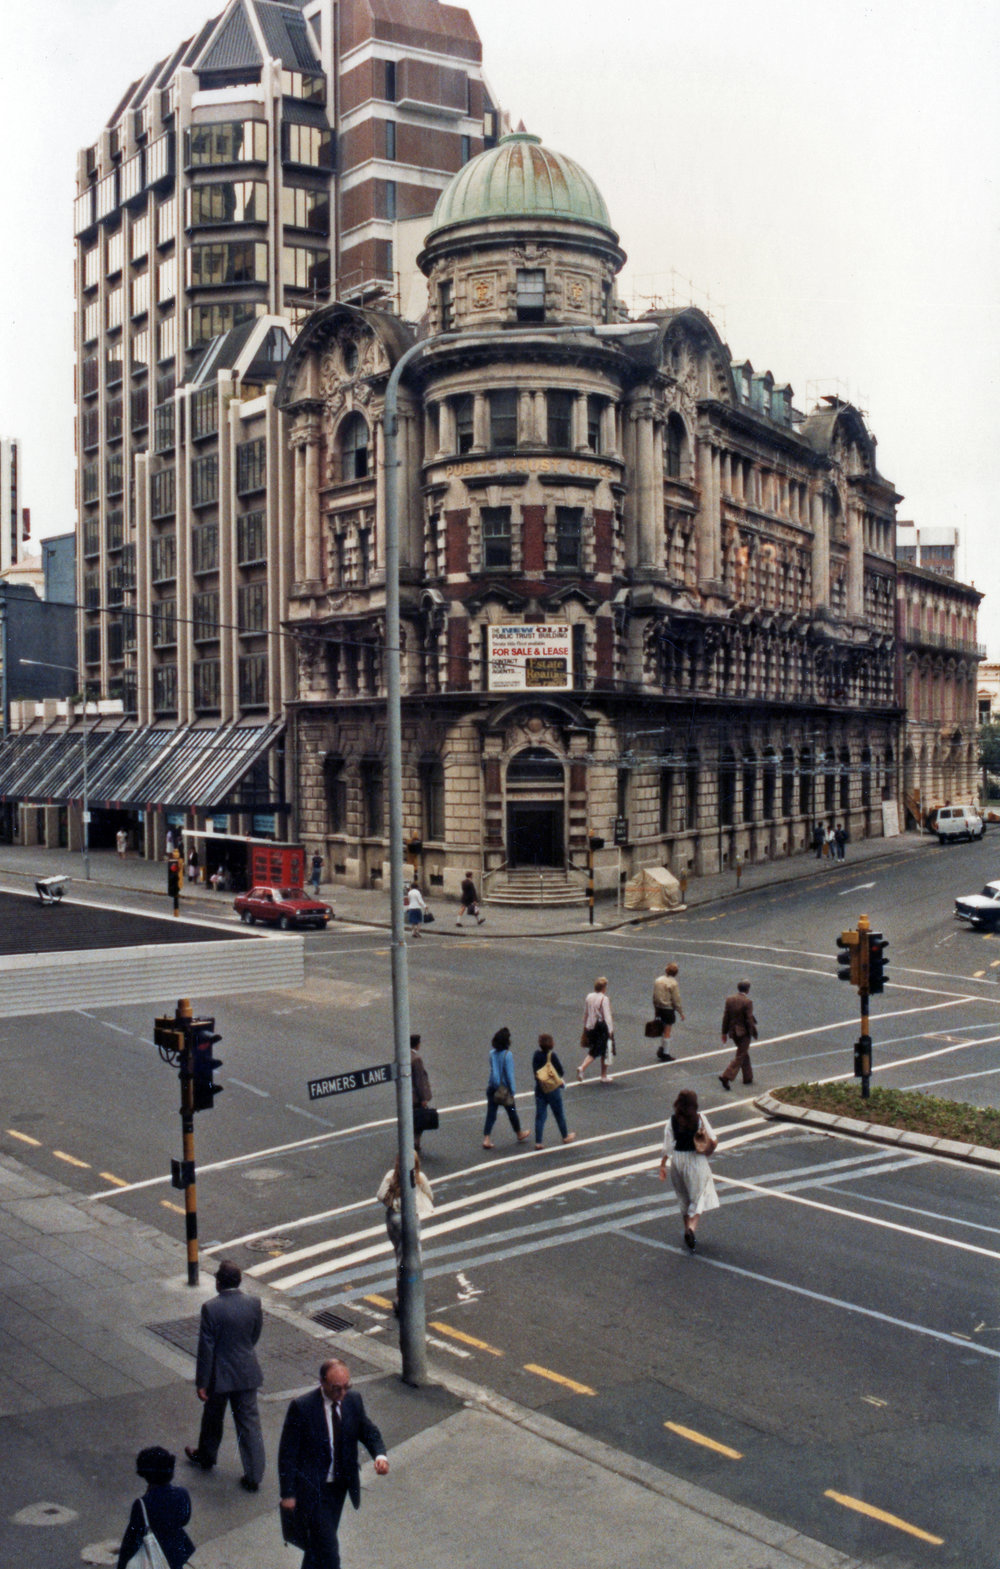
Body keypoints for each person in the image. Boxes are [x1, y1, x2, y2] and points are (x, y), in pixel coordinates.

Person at [278, 1358, 388, 1569]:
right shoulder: (302, 1407)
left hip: (339, 1487)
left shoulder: (353, 1400)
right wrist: (288, 1494)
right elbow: (287, 1454)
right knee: (329, 1550)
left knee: (317, 1546)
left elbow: (367, 1431)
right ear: (322, 1382)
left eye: (347, 1387)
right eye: (337, 1389)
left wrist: (380, 1456)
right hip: (313, 1489)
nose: (342, 1394)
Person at [184, 1260, 265, 1492]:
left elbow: (206, 1348)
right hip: (247, 1372)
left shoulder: (211, 1308)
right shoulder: (253, 1303)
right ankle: (254, 1475)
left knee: (212, 1418)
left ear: (218, 1283)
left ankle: (207, 1456)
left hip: (219, 1376)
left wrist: (202, 1382)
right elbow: (254, 1334)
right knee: (249, 1425)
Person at [659, 1089, 719, 1251]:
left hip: (677, 1160)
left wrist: (663, 1165)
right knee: (699, 1195)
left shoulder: (671, 1121)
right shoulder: (699, 1119)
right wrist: (708, 1150)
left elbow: (667, 1146)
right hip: (695, 1159)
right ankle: (692, 1228)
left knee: (683, 1196)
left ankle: (686, 1230)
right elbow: (713, 1140)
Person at [117, 1446, 194, 1569]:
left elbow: (131, 1541)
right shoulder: (182, 1494)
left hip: (153, 1554)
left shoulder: (142, 1504)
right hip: (177, 1552)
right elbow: (184, 1519)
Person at [377, 1153, 434, 1313]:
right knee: (412, 1258)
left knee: (400, 1255)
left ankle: (401, 1295)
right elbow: (430, 1195)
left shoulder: (391, 1175)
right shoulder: (419, 1177)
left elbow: (380, 1195)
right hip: (409, 1219)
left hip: (393, 1218)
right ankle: (405, 1296)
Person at [482, 1026, 530, 1149]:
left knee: (491, 1113)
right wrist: (513, 1091)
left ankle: (486, 1137)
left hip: (492, 1088)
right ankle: (519, 1132)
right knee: (512, 1111)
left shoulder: (492, 1054)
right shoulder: (507, 1055)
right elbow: (509, 1074)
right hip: (504, 1090)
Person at [532, 1033, 576, 1149]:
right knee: (558, 1114)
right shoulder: (552, 1056)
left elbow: (535, 1072)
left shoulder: (536, 1055)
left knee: (540, 1116)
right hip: (552, 1089)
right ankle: (565, 1136)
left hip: (540, 1089)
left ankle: (538, 1141)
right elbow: (561, 1072)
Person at [718, 978, 758, 1090]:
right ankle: (726, 1076)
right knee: (740, 1055)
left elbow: (726, 1017)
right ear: (748, 990)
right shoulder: (747, 1002)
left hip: (733, 1032)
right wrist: (753, 1032)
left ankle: (748, 1077)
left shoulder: (729, 999)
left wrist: (724, 1033)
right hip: (743, 1032)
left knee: (743, 1052)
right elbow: (749, 1019)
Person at [577, 977, 615, 1083]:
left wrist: (585, 1026)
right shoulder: (604, 999)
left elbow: (586, 1012)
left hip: (591, 1026)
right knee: (604, 1050)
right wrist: (610, 1031)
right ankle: (585, 1069)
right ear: (603, 988)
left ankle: (601, 1074)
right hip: (602, 1028)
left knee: (595, 1049)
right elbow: (607, 1017)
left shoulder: (589, 996)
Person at [652, 962, 684, 1062]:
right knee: (667, 1030)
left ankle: (662, 1048)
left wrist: (656, 1008)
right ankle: (665, 1053)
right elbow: (676, 999)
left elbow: (655, 996)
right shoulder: (673, 983)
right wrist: (680, 1012)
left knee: (662, 1028)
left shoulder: (658, 980)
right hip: (668, 1009)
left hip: (659, 1007)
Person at [410, 1034, 433, 1154]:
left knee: (410, 1119)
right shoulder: (416, 1059)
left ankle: (409, 1141)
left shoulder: (405, 1055)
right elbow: (419, 1080)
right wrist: (423, 1098)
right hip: (416, 1097)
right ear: (417, 1044)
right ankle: (415, 1142)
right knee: (419, 1120)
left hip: (408, 1096)